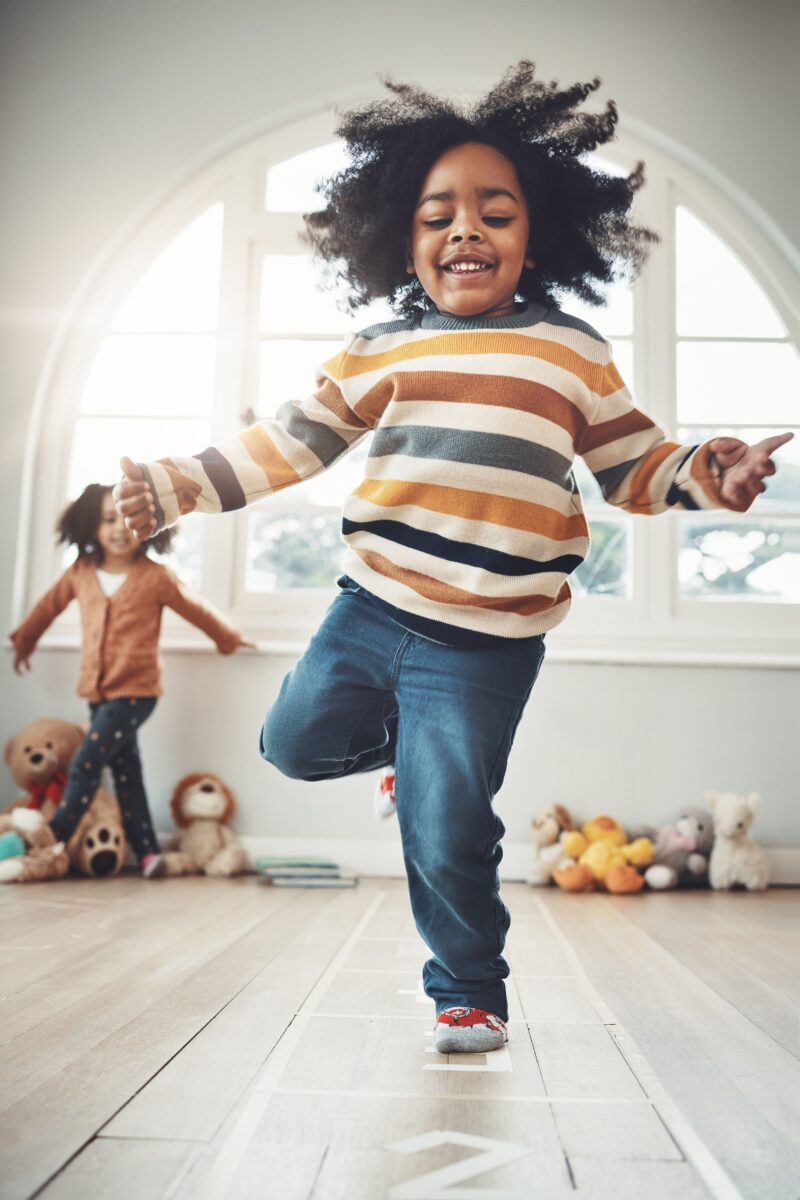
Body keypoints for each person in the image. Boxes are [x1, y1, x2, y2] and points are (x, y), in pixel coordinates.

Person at [113, 63, 791, 1049]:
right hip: (370, 609)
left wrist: (707, 472)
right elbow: (285, 446)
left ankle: (465, 989)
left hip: (485, 647)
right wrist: (178, 482)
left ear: (537, 233)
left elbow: (633, 467)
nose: (464, 231)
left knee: (448, 829)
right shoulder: (374, 349)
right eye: (436, 216)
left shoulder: (569, 353)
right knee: (289, 748)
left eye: (494, 213)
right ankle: (412, 758)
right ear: (398, 238)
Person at [9, 483, 252, 877]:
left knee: (86, 762)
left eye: (128, 519)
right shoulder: (81, 572)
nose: (119, 528)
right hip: (97, 692)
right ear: (91, 525)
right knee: (127, 772)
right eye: (108, 519)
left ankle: (51, 844)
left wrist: (229, 637)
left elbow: (197, 609)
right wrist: (24, 640)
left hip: (136, 692)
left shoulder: (155, 577)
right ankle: (149, 853)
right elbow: (47, 607)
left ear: (150, 525)